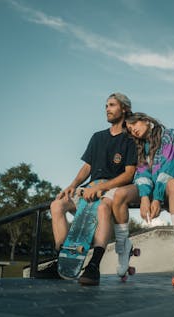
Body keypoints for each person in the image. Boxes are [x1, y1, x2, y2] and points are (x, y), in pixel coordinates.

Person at [50, 93, 137, 285]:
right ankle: (62, 261)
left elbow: (129, 174)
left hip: (114, 187)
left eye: (112, 105)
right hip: (90, 187)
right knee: (57, 205)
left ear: (124, 109)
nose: (107, 108)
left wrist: (103, 187)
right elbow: (87, 167)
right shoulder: (97, 137)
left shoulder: (130, 139)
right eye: (106, 105)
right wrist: (72, 186)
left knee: (103, 208)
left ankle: (93, 266)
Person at [112, 112, 174, 288]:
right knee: (119, 195)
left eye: (135, 125)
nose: (133, 131)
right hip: (153, 189)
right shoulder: (140, 146)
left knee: (172, 183)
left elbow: (170, 167)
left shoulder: (171, 135)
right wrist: (144, 197)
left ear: (146, 121)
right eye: (130, 130)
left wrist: (156, 198)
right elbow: (142, 174)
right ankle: (123, 249)